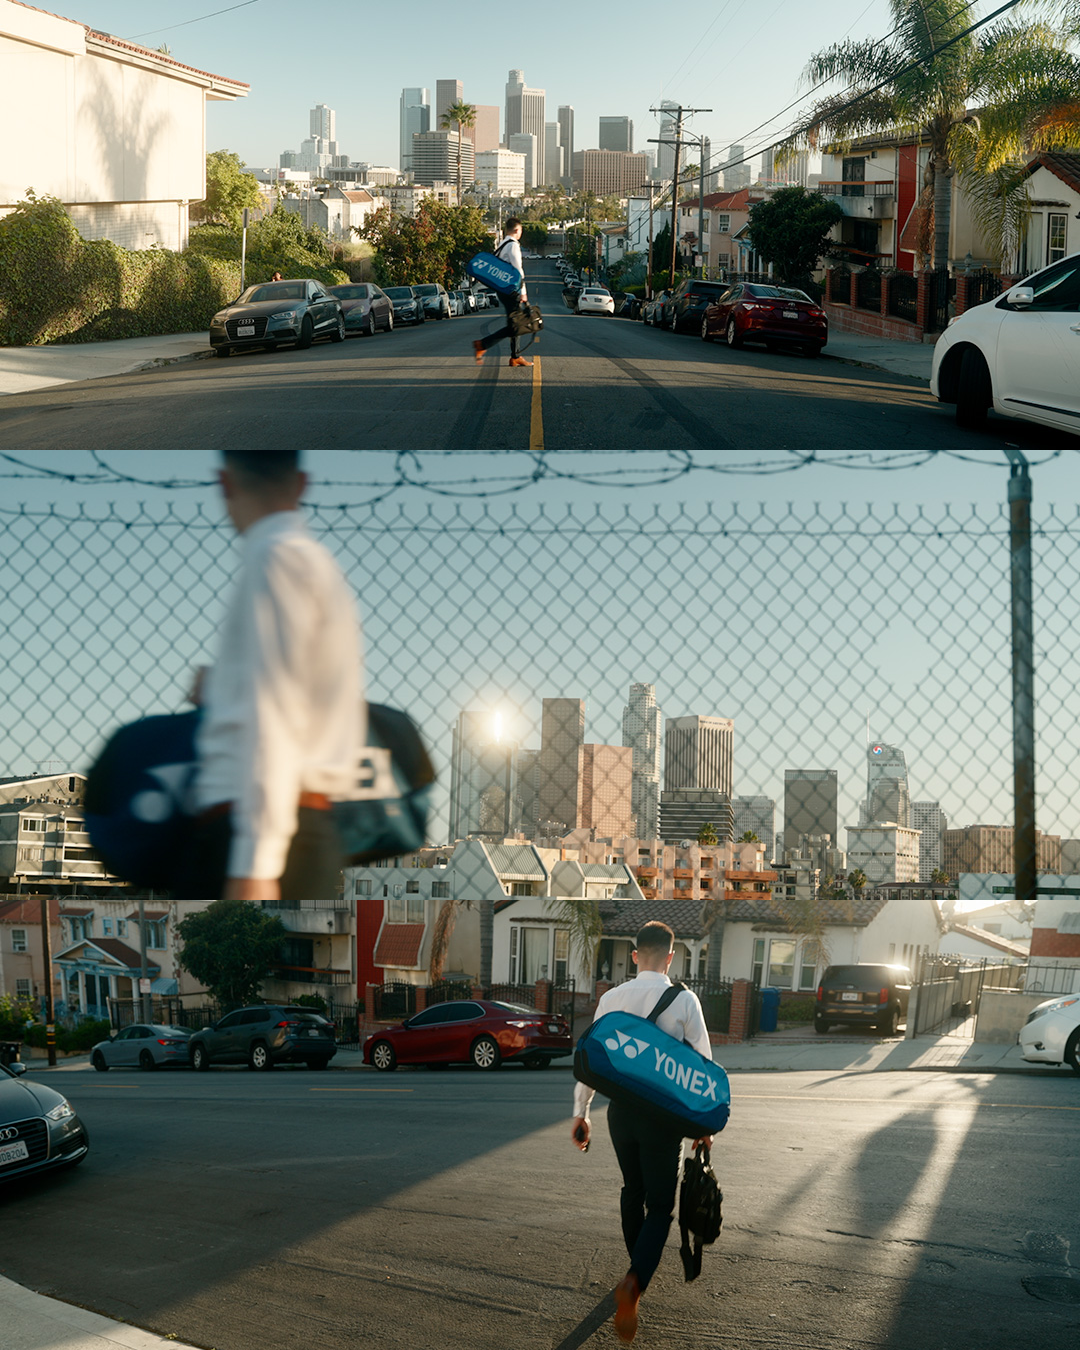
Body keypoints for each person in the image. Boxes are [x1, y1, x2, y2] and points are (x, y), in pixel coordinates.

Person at [177, 451, 364, 903]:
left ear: (224, 482)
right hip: (299, 820)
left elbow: (275, 716)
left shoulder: (275, 556)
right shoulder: (313, 561)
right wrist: (225, 690)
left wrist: (255, 866)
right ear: (301, 484)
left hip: (263, 828)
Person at [571, 921, 713, 1344]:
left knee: (632, 1189)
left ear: (635, 956)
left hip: (620, 1115)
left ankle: (638, 1264)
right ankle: (635, 1281)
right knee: (660, 1206)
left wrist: (582, 1113)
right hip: (660, 1118)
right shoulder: (684, 1000)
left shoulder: (611, 999)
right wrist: (703, 1127)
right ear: (672, 957)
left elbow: (593, 1059)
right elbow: (702, 1067)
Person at [472, 217, 532, 369]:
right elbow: (518, 270)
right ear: (517, 230)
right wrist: (523, 292)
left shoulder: (502, 243)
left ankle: (515, 356)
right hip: (512, 291)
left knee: (515, 323)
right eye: (520, 231)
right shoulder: (513, 246)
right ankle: (483, 344)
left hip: (503, 290)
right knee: (514, 326)